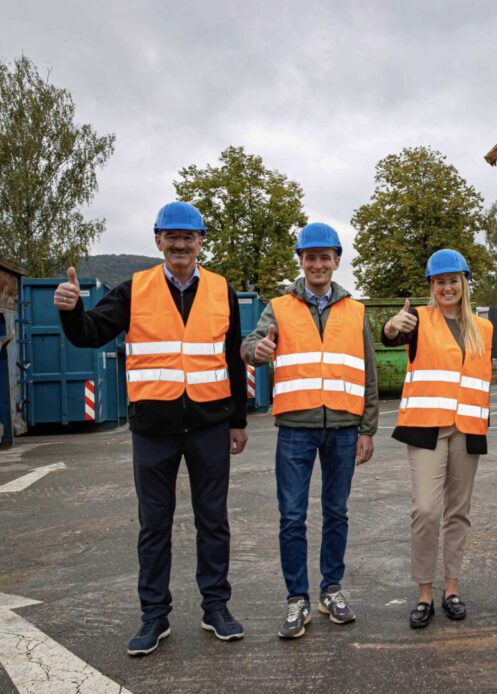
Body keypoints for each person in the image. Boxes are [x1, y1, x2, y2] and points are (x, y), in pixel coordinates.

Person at [54, 201, 248, 656]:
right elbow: (88, 333)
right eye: (171, 236)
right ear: (158, 239)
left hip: (209, 424)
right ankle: (154, 616)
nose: (180, 245)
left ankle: (215, 608)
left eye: (189, 237)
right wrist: (68, 309)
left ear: (201, 241)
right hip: (153, 429)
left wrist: (237, 421)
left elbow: (232, 359)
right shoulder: (133, 289)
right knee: (154, 525)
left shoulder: (222, 289)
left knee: (213, 521)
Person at [241, 222, 378, 639]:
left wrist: (367, 427)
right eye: (309, 257)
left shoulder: (355, 311)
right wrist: (257, 351)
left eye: (324, 257)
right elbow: (250, 346)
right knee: (293, 517)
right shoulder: (279, 307)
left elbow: (369, 372)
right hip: (295, 429)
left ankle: (330, 589)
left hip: (343, 428)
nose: (317, 264)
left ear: (336, 261)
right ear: (300, 261)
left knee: (336, 512)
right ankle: (296, 598)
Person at [381, 249, 492, 629]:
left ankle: (452, 589)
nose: (446, 287)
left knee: (458, 513)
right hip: (427, 428)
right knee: (427, 510)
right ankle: (424, 593)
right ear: (432, 286)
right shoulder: (418, 319)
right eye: (439, 282)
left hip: (468, 430)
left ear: (464, 283)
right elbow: (392, 336)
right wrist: (393, 327)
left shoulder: (484, 329)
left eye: (453, 280)